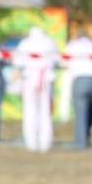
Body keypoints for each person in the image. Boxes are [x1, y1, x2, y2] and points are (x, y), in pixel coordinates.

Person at [18, 24, 57, 152]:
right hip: (46, 80)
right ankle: (45, 142)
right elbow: (56, 60)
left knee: (30, 111)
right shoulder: (50, 43)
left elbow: (17, 61)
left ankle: (31, 142)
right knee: (45, 112)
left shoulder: (25, 43)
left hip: (30, 80)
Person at [66, 30, 92, 149]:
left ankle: (81, 143)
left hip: (80, 80)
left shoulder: (72, 46)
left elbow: (65, 62)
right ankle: (87, 138)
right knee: (91, 112)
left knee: (80, 113)